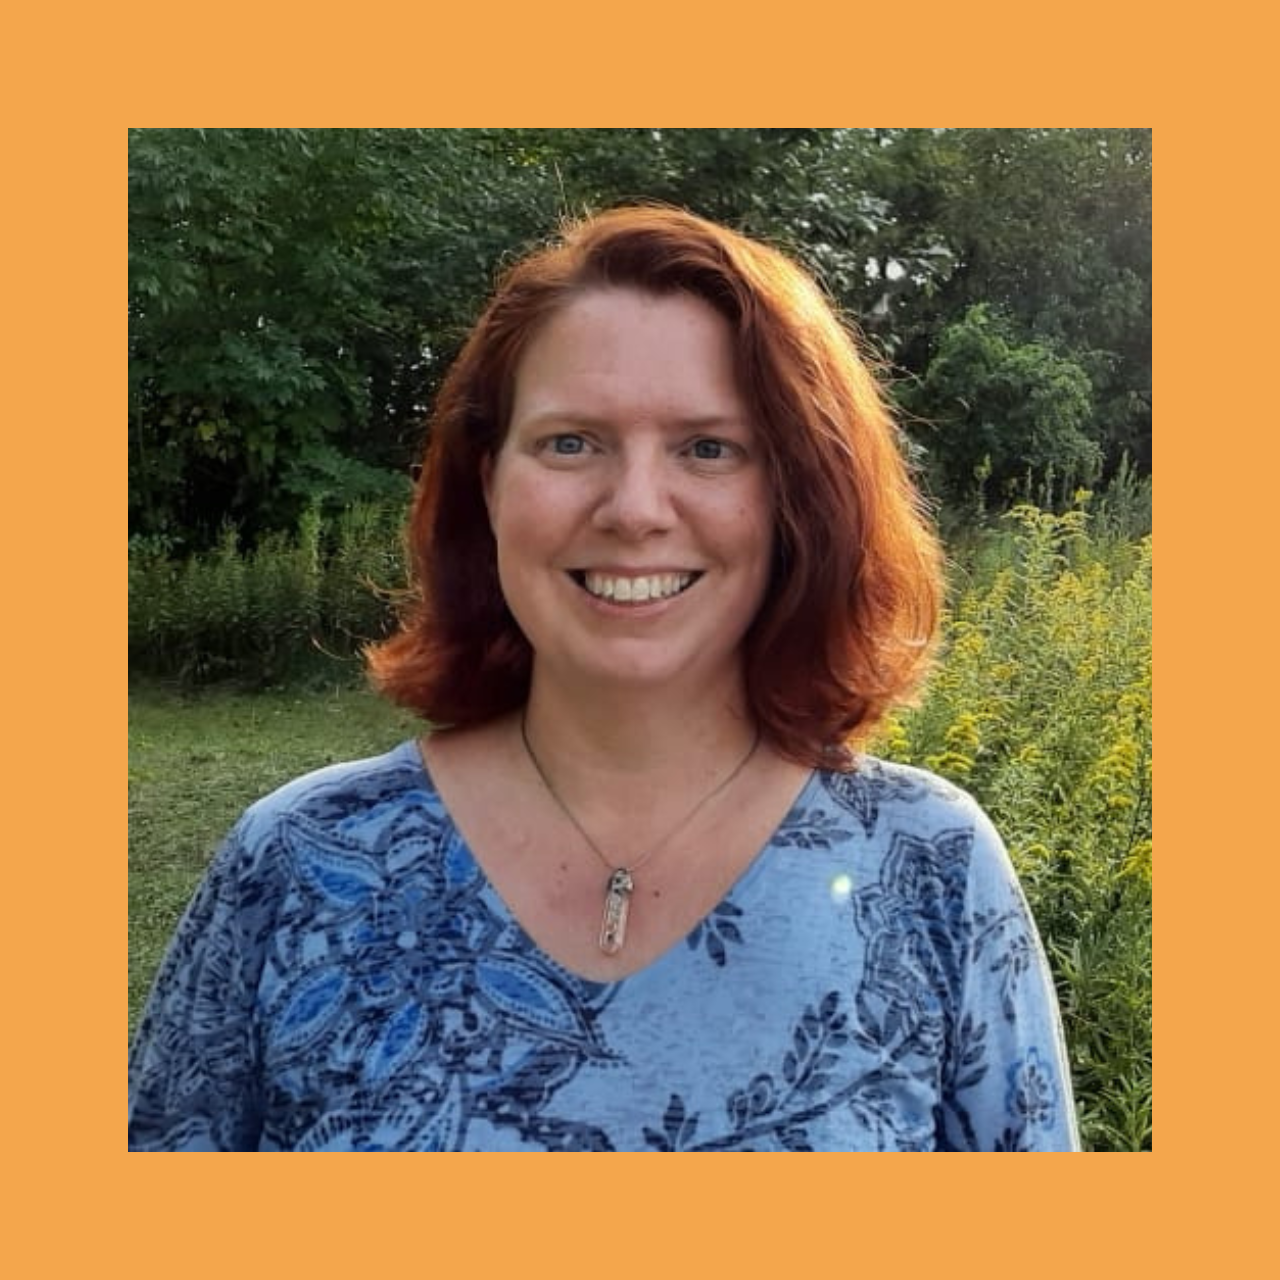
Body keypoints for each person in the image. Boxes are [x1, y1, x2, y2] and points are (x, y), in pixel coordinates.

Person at [128, 205, 1079, 1151]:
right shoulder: (298, 862)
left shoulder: (930, 869)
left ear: (798, 496)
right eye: (572, 442)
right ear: (488, 483)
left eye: (708, 448)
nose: (634, 509)